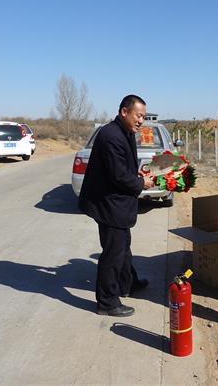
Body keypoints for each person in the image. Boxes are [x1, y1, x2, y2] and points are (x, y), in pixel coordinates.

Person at [78, 94, 154, 317]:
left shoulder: (125, 131)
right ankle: (107, 301)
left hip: (117, 203)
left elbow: (124, 166)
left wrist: (136, 173)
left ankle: (127, 283)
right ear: (124, 112)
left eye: (144, 117)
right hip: (108, 204)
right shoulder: (111, 135)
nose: (141, 121)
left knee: (123, 247)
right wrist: (142, 182)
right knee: (113, 253)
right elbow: (118, 176)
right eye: (138, 116)